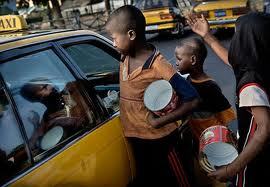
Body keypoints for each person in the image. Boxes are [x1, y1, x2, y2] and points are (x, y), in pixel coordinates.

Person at [105, 5, 199, 187]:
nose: (113, 44)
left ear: (131, 35)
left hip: (161, 141)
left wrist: (159, 122)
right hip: (137, 137)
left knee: (177, 180)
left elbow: (193, 98)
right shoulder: (125, 57)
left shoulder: (158, 65)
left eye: (114, 38)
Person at [186, 12, 270, 187]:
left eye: (237, 35)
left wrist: (232, 169)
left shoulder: (251, 83)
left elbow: (263, 129)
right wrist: (207, 36)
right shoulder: (260, 64)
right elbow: (231, 61)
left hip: (254, 159)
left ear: (246, 42)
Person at [175, 37, 236, 187]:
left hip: (214, 143)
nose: (176, 62)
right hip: (197, 141)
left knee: (217, 178)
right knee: (203, 176)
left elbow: (227, 116)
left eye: (179, 58)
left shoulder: (210, 87)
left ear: (193, 59)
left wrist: (232, 143)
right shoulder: (186, 81)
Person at [20, 78, 91, 149]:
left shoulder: (71, 90)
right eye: (44, 87)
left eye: (48, 83)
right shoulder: (48, 118)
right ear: (36, 99)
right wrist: (36, 124)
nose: (50, 86)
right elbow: (31, 145)